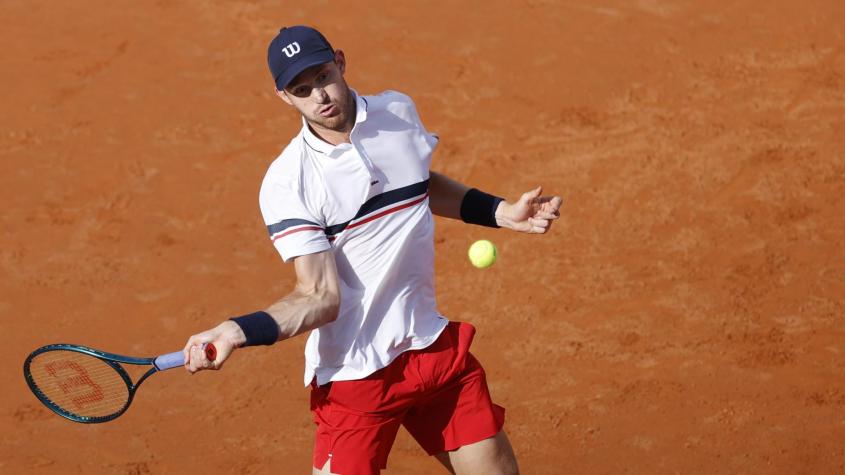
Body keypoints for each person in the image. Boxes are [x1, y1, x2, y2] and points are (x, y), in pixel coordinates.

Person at [181, 25, 562, 475]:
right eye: (301, 90)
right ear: (285, 98)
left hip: (430, 349)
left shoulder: (397, 112)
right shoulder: (289, 183)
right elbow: (319, 297)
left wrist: (499, 212)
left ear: (340, 62)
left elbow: (417, 185)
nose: (319, 96)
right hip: (355, 377)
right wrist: (235, 330)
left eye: (322, 77)